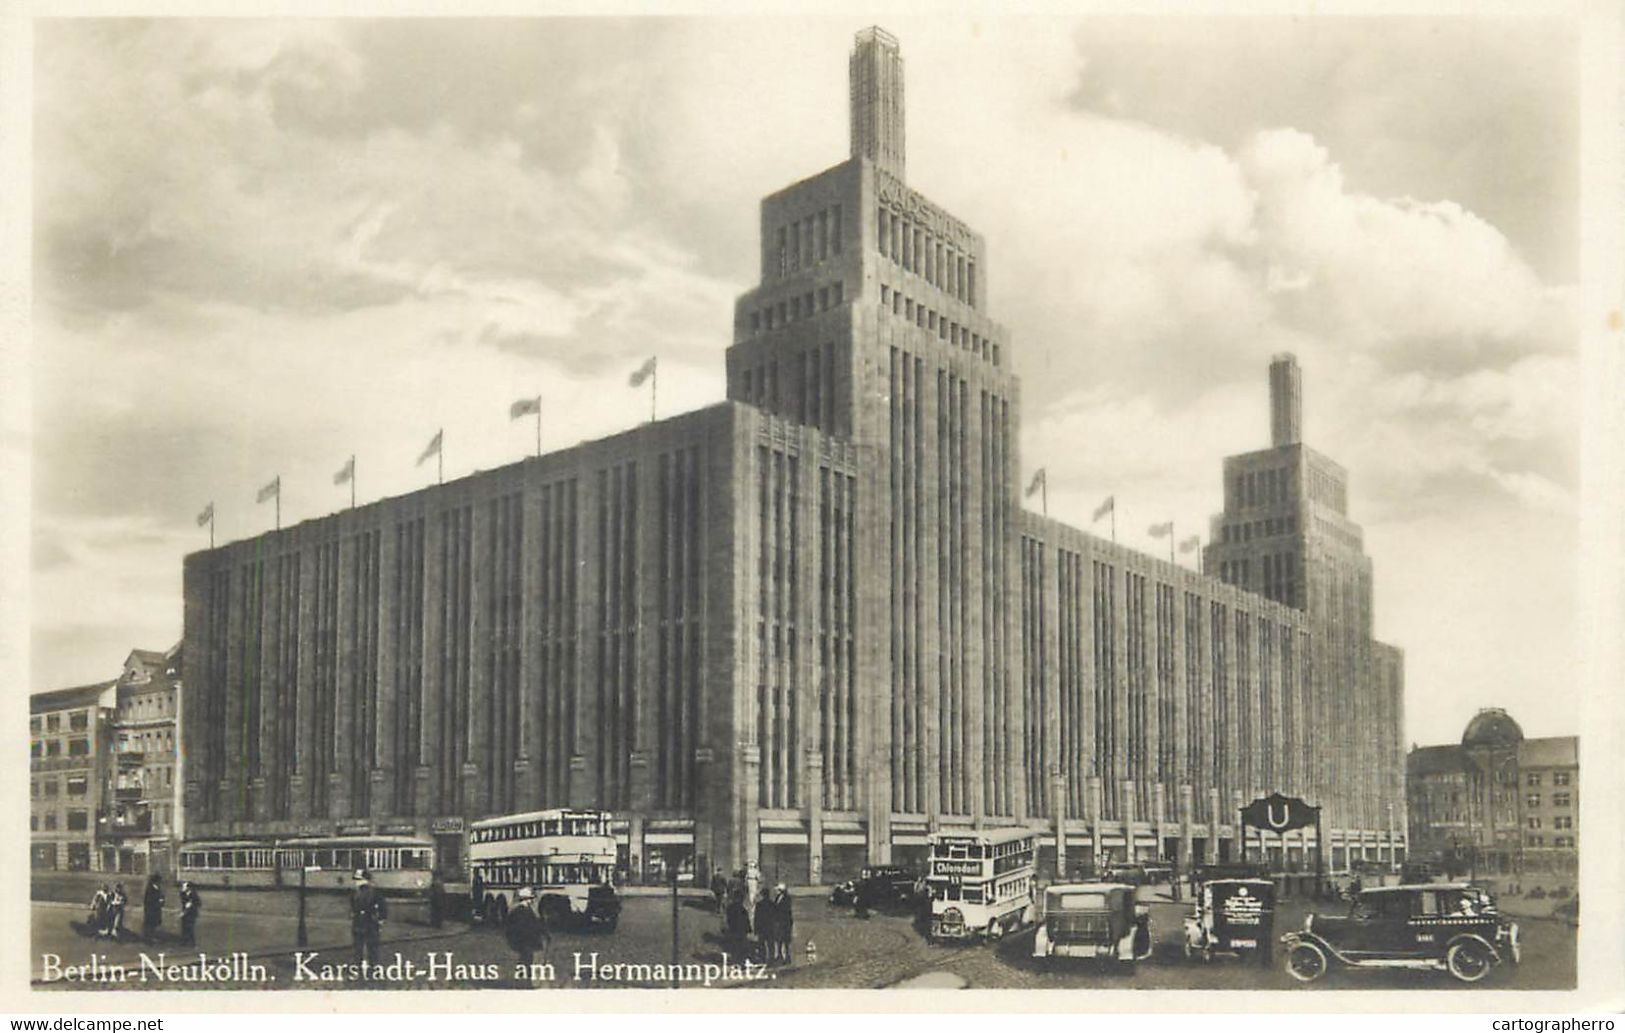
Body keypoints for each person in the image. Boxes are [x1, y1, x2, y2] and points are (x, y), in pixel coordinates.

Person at [504, 886, 548, 985]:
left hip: (523, 941)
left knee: (525, 961)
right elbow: (530, 925)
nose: (531, 901)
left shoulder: (520, 910)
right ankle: (525, 982)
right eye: (530, 899)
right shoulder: (522, 911)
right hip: (525, 941)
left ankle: (523, 981)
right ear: (526, 899)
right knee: (527, 961)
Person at [350, 869, 388, 969]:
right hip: (365, 922)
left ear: (366, 880)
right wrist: (381, 919)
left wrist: (380, 919)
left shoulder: (370, 892)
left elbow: (382, 907)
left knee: (366, 945)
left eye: (359, 880)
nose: (356, 882)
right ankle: (365, 964)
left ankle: (367, 964)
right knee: (364, 945)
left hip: (368, 922)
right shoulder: (357, 892)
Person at [771, 884, 794, 965]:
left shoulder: (787, 899)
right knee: (779, 939)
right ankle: (780, 955)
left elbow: (785, 910)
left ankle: (787, 956)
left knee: (785, 939)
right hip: (779, 921)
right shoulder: (777, 898)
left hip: (785, 921)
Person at [142, 873, 165, 944]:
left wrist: (162, 900)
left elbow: (162, 896)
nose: (160, 883)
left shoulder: (157, 888)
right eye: (159, 881)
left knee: (154, 923)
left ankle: (151, 936)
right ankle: (149, 938)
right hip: (151, 909)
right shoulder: (150, 889)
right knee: (150, 923)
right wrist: (158, 901)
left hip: (156, 909)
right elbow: (148, 900)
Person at [178, 881, 201, 946]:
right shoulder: (182, 893)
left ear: (189, 888)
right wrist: (184, 911)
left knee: (190, 927)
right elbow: (183, 902)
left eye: (184, 886)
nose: (183, 887)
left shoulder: (194, 894)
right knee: (184, 927)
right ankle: (184, 941)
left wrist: (191, 904)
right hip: (185, 912)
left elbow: (199, 903)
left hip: (192, 913)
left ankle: (192, 942)